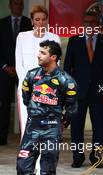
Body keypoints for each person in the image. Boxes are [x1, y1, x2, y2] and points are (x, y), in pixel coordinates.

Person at [16, 40, 77, 174]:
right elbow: (26, 98)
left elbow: (72, 108)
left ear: (53, 57)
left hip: (52, 129)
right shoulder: (31, 75)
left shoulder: (66, 80)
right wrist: (36, 112)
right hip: (32, 127)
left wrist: (62, 124)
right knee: (23, 166)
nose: (38, 55)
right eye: (39, 52)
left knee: (47, 170)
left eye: (43, 53)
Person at [64, 11, 103, 168]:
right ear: (83, 23)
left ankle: (96, 157)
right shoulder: (74, 41)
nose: (90, 25)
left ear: (98, 24)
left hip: (99, 93)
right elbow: (67, 68)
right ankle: (77, 157)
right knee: (76, 128)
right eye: (87, 22)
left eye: (93, 22)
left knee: (98, 127)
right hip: (78, 93)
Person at [15, 5, 60, 138]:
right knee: (27, 125)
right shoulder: (22, 37)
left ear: (47, 21)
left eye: (43, 19)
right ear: (32, 21)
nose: (40, 22)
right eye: (37, 19)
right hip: (26, 88)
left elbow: (55, 64)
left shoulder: (54, 38)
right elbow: (19, 64)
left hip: (47, 89)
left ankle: (41, 158)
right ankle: (27, 156)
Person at [0, 0, 32, 145]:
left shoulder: (28, 23)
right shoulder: (1, 23)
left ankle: (27, 137)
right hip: (5, 71)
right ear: (10, 6)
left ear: (23, 6)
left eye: (20, 4)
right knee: (4, 104)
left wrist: (21, 67)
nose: (17, 7)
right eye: (15, 4)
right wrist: (5, 66)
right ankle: (2, 137)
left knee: (26, 103)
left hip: (23, 71)